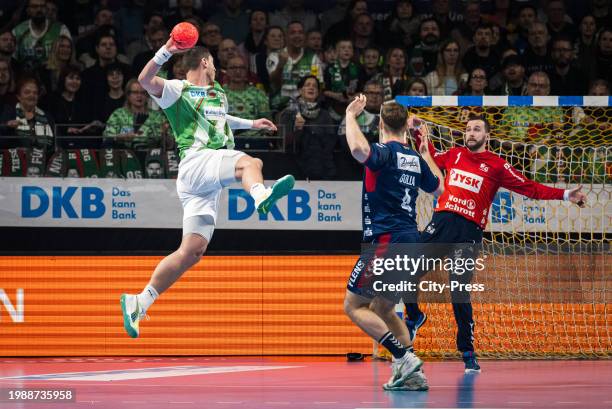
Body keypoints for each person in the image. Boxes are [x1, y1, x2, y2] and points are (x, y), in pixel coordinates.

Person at [120, 38, 295, 338]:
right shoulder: (178, 90)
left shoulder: (218, 93)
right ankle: (260, 195)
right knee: (249, 164)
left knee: (192, 250)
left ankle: (140, 300)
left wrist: (252, 124)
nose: (216, 66)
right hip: (198, 161)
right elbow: (144, 79)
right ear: (204, 62)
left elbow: (220, 120)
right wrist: (168, 49)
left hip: (203, 181)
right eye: (213, 61)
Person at [404, 113, 587, 373]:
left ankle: (467, 352)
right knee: (405, 271)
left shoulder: (497, 165)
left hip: (468, 232)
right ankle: (414, 316)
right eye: (468, 129)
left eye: (476, 129)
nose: (470, 133)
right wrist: (417, 130)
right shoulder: (455, 155)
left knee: (459, 294)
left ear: (487, 136)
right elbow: (430, 155)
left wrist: (566, 194)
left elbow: (530, 188)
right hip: (442, 223)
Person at [343, 95, 444, 391]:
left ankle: (403, 357)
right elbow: (439, 188)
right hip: (412, 243)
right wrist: (425, 152)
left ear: (381, 124)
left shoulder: (385, 152)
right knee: (385, 308)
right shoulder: (413, 157)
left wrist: (350, 115)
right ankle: (414, 374)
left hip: (386, 242)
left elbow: (360, 150)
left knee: (353, 305)